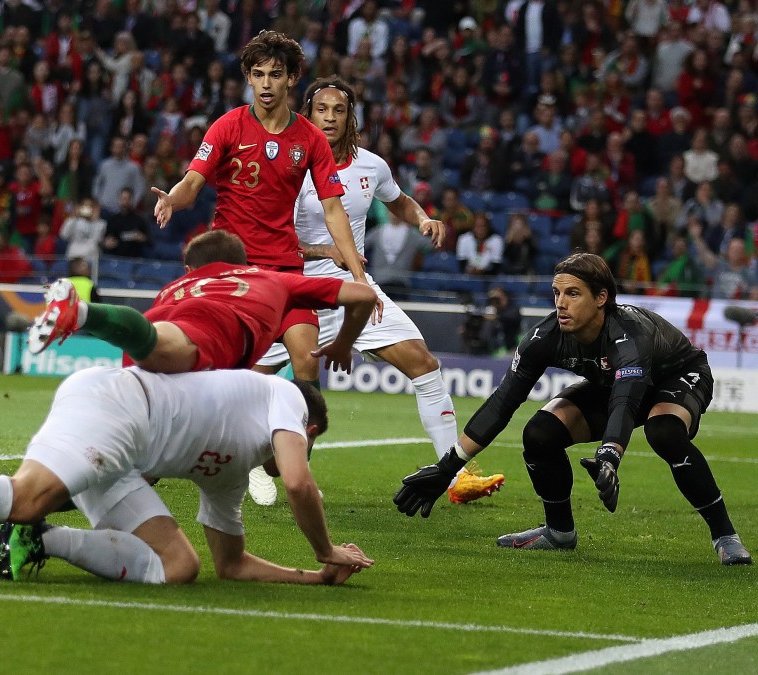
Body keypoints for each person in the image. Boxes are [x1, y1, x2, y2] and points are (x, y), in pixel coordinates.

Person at [0, 367, 374, 586]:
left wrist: (315, 577)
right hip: (118, 406)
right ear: (310, 421)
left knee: (180, 567)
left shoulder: (230, 474)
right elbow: (299, 484)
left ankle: (39, 541)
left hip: (124, 452)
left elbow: (231, 565)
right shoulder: (284, 396)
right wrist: (328, 548)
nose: (305, 447)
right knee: (25, 496)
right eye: (313, 436)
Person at [393, 252, 752, 566]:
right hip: (614, 385)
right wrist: (447, 469)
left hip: (676, 377)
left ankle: (725, 536)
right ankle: (559, 531)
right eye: (557, 293)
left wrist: (609, 456)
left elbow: (626, 401)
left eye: (573, 293)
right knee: (539, 433)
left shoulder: (630, 335)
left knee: (664, 431)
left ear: (601, 298)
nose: (560, 303)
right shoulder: (543, 338)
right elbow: (502, 403)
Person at [254, 78, 504, 507]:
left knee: (424, 365)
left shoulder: (371, 165)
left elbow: (399, 200)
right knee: (249, 386)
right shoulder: (289, 164)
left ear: (351, 117)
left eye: (338, 110)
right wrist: (320, 249)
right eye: (321, 109)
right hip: (295, 290)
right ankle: (236, 460)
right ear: (307, 113)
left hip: (355, 287)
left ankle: (454, 476)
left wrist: (423, 218)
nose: (329, 117)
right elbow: (264, 234)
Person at [149, 30, 373, 389]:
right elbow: (191, 185)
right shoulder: (227, 126)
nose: (266, 83)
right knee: (226, 369)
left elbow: (334, 210)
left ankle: (300, 443)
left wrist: (360, 280)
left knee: (306, 358)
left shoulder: (311, 139)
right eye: (258, 74)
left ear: (292, 79)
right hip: (233, 268)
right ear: (248, 77)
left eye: (275, 74)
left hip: (284, 268)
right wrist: (170, 200)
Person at [28, 229, 377, 376]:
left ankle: (85, 315)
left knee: (121, 465)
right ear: (241, 263)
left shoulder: (173, 286)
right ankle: (81, 311)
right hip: (210, 333)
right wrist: (344, 344)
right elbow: (363, 295)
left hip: (137, 356)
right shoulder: (265, 277)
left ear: (190, 268)